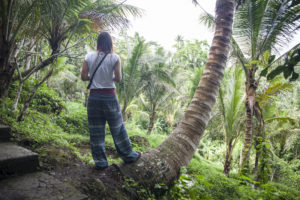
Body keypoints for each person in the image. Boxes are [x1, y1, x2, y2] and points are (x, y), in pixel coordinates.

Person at [81, 32, 141, 170]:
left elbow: (83, 76)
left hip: (94, 98)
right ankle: (128, 156)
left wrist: (95, 78)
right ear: (110, 43)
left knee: (96, 130)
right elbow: (118, 79)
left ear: (98, 42)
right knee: (117, 127)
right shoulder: (115, 57)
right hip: (109, 97)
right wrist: (109, 76)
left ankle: (100, 162)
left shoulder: (89, 56)